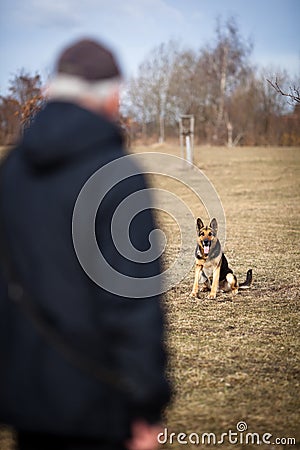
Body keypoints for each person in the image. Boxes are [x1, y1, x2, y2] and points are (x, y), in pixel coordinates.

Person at [0, 38, 170, 450]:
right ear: (112, 95)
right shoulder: (115, 173)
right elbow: (132, 303)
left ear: (51, 91)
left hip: (25, 403)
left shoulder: (12, 171)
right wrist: (146, 405)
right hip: (98, 406)